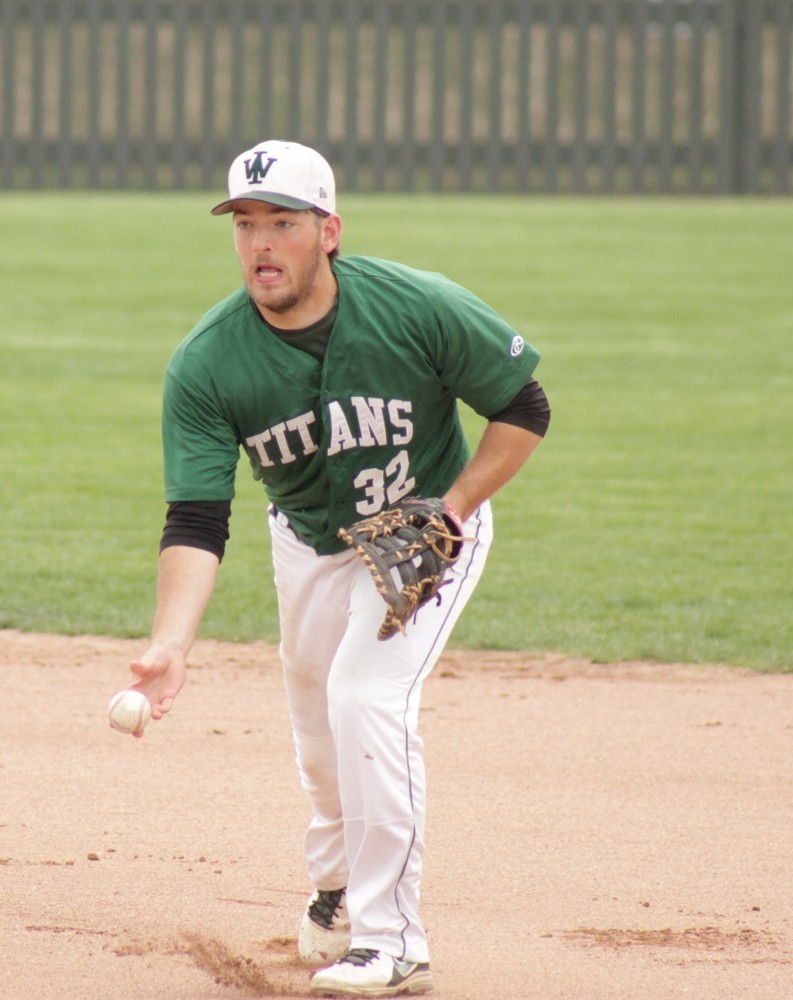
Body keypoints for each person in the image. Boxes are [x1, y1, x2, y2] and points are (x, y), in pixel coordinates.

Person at [122, 139, 551, 998]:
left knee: (367, 697)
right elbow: (198, 519)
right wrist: (172, 641)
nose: (260, 243)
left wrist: (455, 508)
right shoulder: (208, 364)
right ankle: (336, 887)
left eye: (282, 221)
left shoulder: (419, 307)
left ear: (328, 231)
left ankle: (394, 940)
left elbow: (523, 406)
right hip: (310, 541)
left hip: (428, 529)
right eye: (245, 223)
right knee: (321, 734)